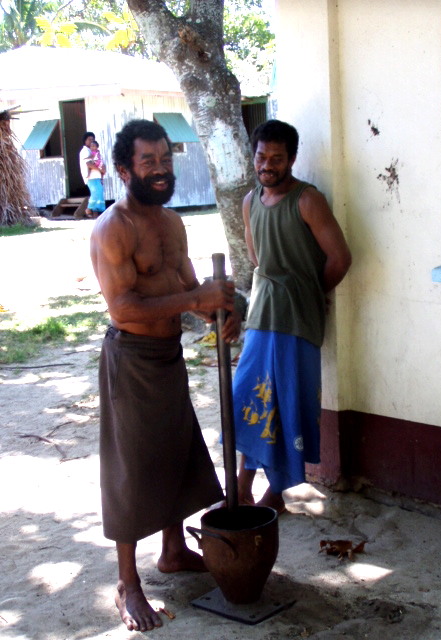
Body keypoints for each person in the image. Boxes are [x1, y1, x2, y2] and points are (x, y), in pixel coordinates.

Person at [90, 119, 240, 632]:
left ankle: (173, 550)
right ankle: (127, 585)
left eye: (165, 160)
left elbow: (189, 285)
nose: (159, 171)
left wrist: (218, 307)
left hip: (168, 358)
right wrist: (194, 299)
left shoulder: (173, 224)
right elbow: (124, 307)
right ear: (124, 169)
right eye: (148, 162)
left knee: (174, 452)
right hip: (131, 359)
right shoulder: (113, 228)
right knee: (132, 469)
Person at [233, 119, 352, 515]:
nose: (267, 165)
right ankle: (241, 487)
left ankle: (276, 494)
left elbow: (340, 258)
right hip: (261, 317)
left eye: (277, 159)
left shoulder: (307, 200)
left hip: (298, 322)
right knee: (250, 399)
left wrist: (311, 293)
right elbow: (256, 258)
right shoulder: (250, 202)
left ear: (292, 159)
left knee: (286, 402)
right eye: (261, 157)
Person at [79, 131, 105, 218]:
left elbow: (101, 162)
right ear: (85, 141)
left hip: (97, 176)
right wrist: (100, 169)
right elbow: (89, 164)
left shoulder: (95, 151)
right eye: (89, 139)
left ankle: (97, 213)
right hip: (91, 177)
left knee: (99, 193)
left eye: (93, 139)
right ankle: (89, 209)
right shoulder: (85, 151)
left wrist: (102, 171)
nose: (91, 141)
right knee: (95, 193)